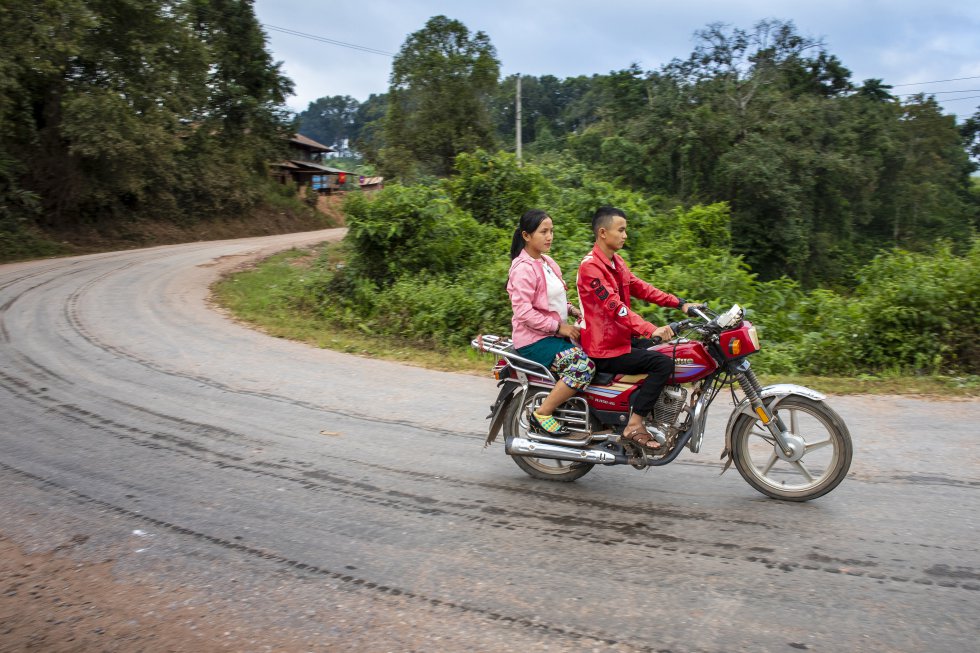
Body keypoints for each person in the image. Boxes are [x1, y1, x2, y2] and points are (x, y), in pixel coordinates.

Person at [576, 206, 697, 452]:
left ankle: (653, 414)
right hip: (605, 349)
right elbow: (615, 308)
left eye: (625, 230)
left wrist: (681, 304)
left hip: (621, 340)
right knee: (662, 364)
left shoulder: (615, 262)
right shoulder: (591, 268)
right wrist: (650, 329)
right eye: (620, 230)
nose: (625, 235)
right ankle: (634, 424)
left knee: (667, 350)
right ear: (602, 232)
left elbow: (642, 288)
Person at [507, 209, 595, 435]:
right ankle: (542, 413)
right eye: (543, 232)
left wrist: (574, 310)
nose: (549, 236)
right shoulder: (522, 269)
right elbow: (524, 312)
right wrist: (560, 327)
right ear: (526, 236)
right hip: (534, 341)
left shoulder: (547, 262)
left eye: (551, 231)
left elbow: (552, 301)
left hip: (553, 335)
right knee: (582, 366)